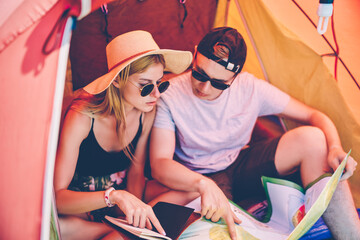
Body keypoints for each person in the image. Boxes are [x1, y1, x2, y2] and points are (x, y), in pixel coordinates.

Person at [150, 27, 360, 240]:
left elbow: (314, 116)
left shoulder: (250, 87)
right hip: (198, 176)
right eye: (199, 74)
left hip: (241, 163)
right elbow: (159, 163)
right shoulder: (172, 94)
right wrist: (203, 184)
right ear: (194, 54)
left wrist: (335, 147)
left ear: (235, 77)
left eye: (218, 83)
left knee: (313, 138)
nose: (204, 87)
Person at [53, 30, 192, 240]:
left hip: (121, 194)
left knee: (190, 193)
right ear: (117, 81)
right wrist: (114, 197)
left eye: (160, 83)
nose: (156, 94)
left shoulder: (146, 112)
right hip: (82, 204)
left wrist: (132, 214)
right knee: (62, 228)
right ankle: (116, 232)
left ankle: (126, 231)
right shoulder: (81, 117)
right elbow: (59, 198)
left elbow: (136, 171)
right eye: (145, 86)